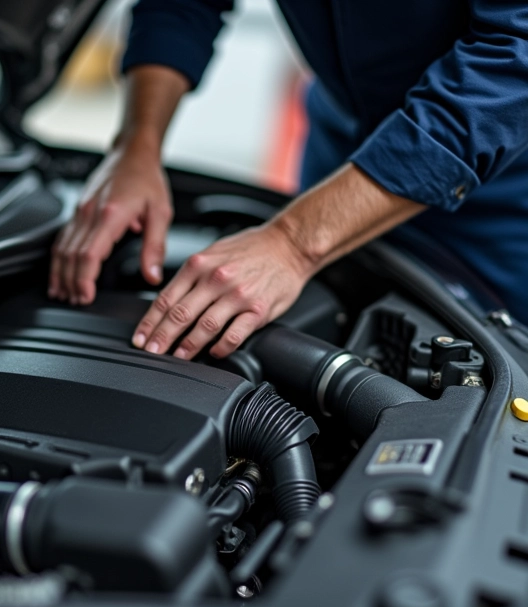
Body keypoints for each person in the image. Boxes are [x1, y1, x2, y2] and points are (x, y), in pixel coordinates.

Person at [49, 1, 528, 360]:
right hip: (343, 154)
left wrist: (293, 242)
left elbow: (514, 59)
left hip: (508, 199)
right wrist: (136, 145)